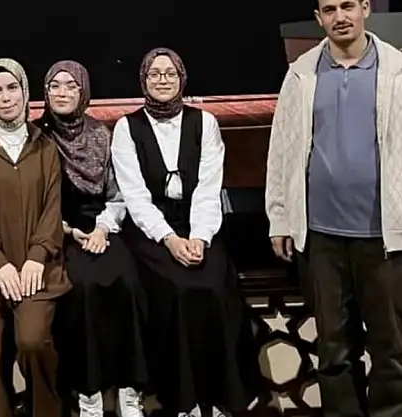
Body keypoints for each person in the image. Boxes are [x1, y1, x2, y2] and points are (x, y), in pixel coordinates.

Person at [265, 0, 402, 415]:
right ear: (318, 18)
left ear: (365, 9)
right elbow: (282, 148)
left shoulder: (396, 70)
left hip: (383, 235)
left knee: (392, 348)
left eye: (347, 6)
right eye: (329, 9)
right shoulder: (302, 73)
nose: (339, 17)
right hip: (321, 235)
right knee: (333, 349)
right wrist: (280, 217)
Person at [111, 48, 259, 417]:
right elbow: (135, 197)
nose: (162, 80)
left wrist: (199, 238)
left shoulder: (204, 123)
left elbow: (209, 188)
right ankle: (182, 398)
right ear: (143, 81)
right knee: (175, 289)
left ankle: (222, 395)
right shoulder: (127, 128)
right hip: (151, 230)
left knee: (213, 286)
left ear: (182, 79)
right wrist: (170, 239)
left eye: (170, 73)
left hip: (198, 223)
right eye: (154, 74)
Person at [0, 58, 72, 417]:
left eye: (12, 88)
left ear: (25, 92)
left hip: (36, 270)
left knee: (33, 342)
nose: (5, 97)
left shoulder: (44, 146)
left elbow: (52, 209)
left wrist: (37, 255)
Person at [33, 60, 148, 417]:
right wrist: (66, 229)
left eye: (71, 85)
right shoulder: (36, 137)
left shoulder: (101, 133)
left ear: (83, 91)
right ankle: (89, 391)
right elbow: (32, 200)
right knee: (81, 289)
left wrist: (102, 228)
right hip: (57, 230)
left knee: (128, 282)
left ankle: (130, 388)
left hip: (101, 226)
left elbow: (117, 194)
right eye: (55, 85)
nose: (62, 92)